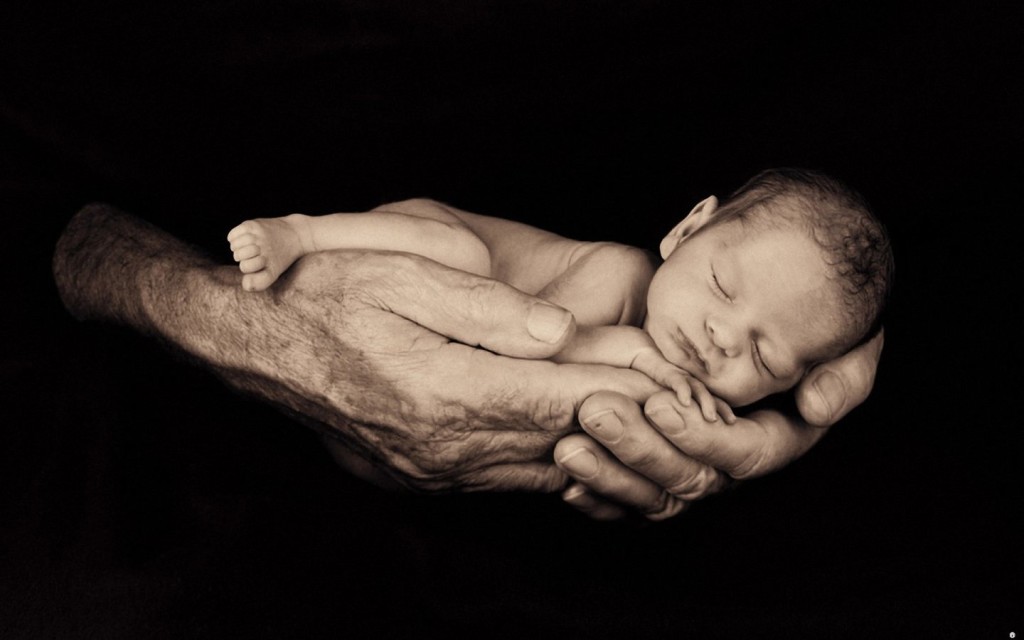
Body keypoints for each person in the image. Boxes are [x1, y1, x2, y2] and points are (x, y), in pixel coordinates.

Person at [53, 191, 884, 521]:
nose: (718, 338)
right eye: (722, 290)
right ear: (684, 231)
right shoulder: (623, 274)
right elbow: (547, 336)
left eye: (763, 355)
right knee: (469, 260)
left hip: (384, 434)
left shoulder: (709, 361)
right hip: (401, 255)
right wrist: (639, 362)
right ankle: (298, 228)